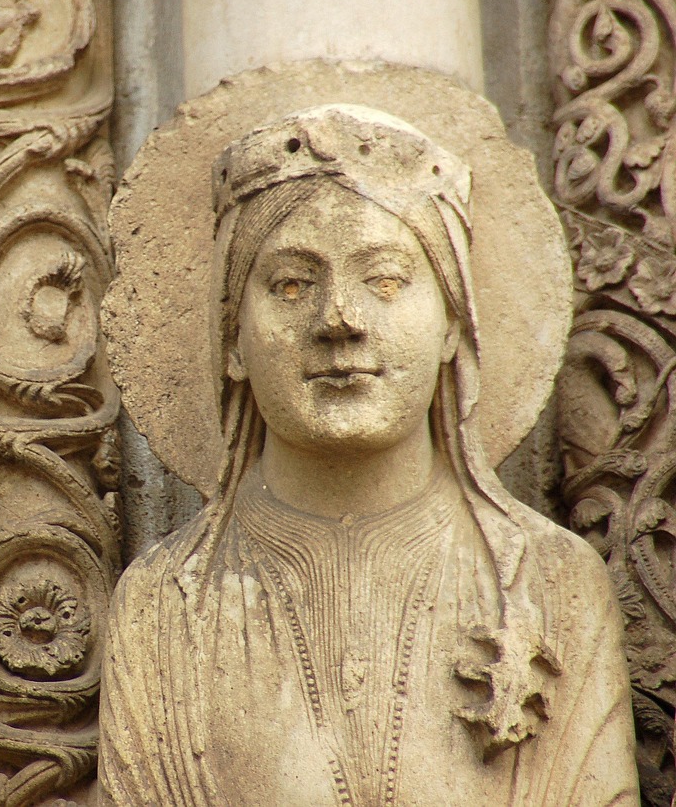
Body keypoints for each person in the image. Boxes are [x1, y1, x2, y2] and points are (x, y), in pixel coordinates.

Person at [98, 105, 639, 805]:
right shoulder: (163, 606)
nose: (339, 320)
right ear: (231, 338)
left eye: (385, 280)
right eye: (292, 284)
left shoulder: (553, 585)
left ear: (454, 326)